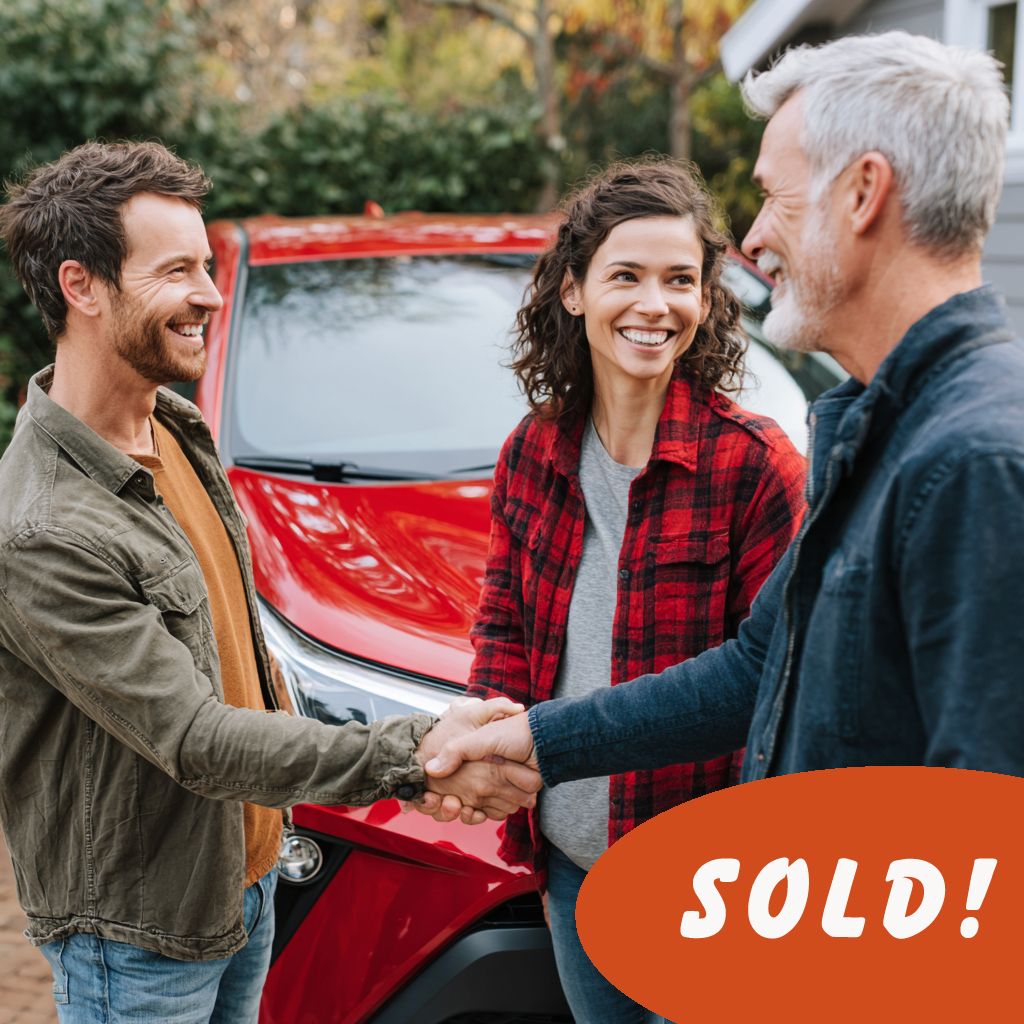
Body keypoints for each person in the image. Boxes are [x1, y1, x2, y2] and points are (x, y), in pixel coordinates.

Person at [0, 141, 539, 1024]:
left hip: (240, 882)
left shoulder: (174, 426)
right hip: (136, 935)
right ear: (82, 286)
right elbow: (199, 739)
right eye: (178, 271)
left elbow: (239, 652)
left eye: (208, 266)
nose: (211, 295)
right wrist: (416, 754)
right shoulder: (42, 526)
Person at [422, 35, 1024, 799]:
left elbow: (986, 848)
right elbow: (756, 665)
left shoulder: (974, 462)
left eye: (776, 195)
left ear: (863, 193)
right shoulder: (887, 434)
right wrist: (540, 737)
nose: (754, 238)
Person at [454, 161, 805, 1024]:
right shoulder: (532, 452)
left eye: (680, 280)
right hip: (573, 866)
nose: (656, 304)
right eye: (627, 276)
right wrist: (492, 757)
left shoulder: (754, 468)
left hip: (709, 889)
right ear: (574, 291)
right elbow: (504, 622)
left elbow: (772, 688)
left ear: (705, 299)